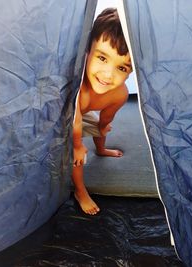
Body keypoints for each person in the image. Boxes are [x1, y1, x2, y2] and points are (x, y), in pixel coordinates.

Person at [72, 8, 132, 215]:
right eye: (103, 58)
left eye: (122, 68)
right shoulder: (77, 87)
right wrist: (78, 145)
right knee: (75, 156)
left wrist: (103, 125)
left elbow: (107, 116)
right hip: (67, 115)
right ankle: (80, 191)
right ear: (87, 51)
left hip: (84, 113)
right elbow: (75, 122)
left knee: (101, 128)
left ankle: (100, 149)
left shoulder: (119, 94)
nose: (108, 75)